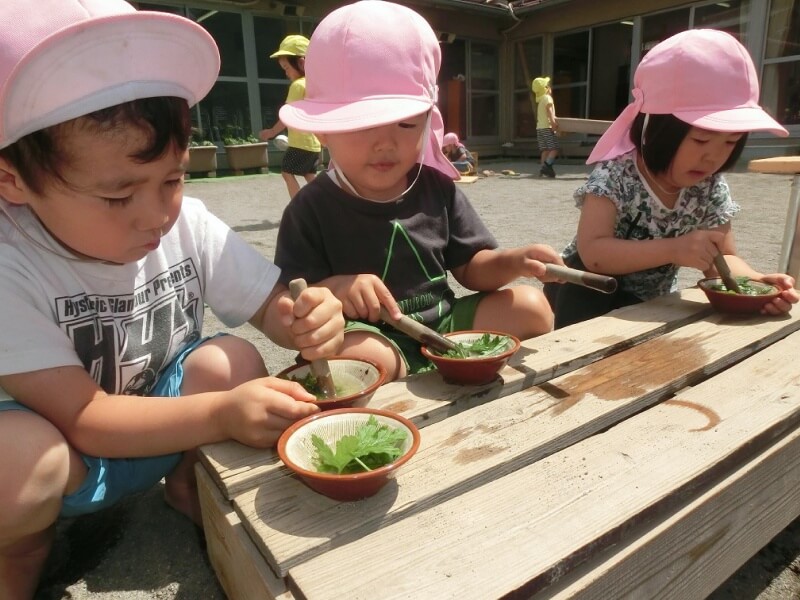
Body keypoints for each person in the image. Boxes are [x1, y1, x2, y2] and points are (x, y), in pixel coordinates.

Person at [0, 1, 345, 597]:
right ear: (13, 180)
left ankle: (191, 486)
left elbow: (272, 308)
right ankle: (20, 562)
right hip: (66, 455)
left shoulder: (189, 225)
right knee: (17, 464)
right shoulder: (11, 264)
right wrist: (221, 414)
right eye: (117, 196)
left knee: (231, 359)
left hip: (162, 431)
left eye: (174, 178)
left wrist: (308, 318)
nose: (158, 215)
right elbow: (84, 418)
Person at [273, 1, 563, 382]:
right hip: (372, 334)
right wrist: (338, 288)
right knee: (362, 357)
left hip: (445, 324)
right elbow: (295, 300)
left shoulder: (436, 187)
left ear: (428, 120)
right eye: (361, 126)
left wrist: (514, 261)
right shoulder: (310, 207)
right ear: (323, 129)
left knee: (531, 305)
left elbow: (471, 268)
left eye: (407, 125)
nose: (385, 143)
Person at [543, 29, 799, 329]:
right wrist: (676, 249)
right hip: (586, 290)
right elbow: (594, 252)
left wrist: (755, 282)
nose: (712, 158)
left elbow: (723, 258)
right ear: (657, 128)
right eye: (701, 140)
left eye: (730, 143)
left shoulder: (710, 187)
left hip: (647, 302)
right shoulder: (616, 175)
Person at [259, 35, 322, 199]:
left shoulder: (297, 85)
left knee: (287, 173)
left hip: (300, 143)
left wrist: (272, 131)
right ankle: (324, 201)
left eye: (287, 67)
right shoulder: (314, 83)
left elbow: (288, 115)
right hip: (314, 143)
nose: (286, 72)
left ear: (301, 63)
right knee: (309, 174)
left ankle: (299, 207)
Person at [532, 76, 559, 178]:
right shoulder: (548, 98)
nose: (550, 87)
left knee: (545, 150)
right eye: (548, 85)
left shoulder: (540, 101)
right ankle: (547, 166)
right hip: (547, 127)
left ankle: (542, 169)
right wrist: (553, 123)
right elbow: (549, 111)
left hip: (539, 128)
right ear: (546, 88)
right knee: (554, 149)